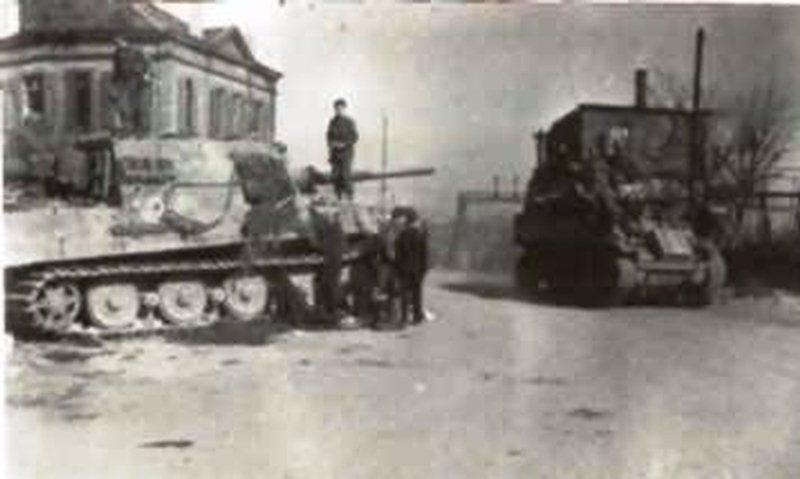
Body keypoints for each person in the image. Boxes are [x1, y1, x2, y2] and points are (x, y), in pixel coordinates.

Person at [392, 206, 429, 326]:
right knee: (417, 294)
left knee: (404, 295)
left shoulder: (401, 235)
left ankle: (404, 318)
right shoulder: (420, 235)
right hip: (417, 270)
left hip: (404, 270)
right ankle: (417, 317)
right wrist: (424, 269)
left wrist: (397, 269)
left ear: (407, 221)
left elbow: (398, 255)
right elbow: (425, 254)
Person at [326, 98, 359, 200]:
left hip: (346, 153)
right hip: (335, 153)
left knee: (346, 175)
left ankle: (350, 197)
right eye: (337, 109)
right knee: (335, 176)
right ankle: (338, 197)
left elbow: (355, 137)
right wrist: (332, 145)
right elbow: (328, 136)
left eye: (341, 108)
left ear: (344, 109)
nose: (338, 111)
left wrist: (344, 144)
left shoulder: (349, 122)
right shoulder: (332, 122)